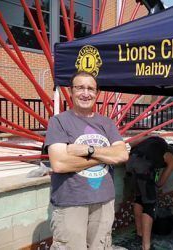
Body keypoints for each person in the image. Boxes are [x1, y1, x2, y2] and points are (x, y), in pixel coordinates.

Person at [45, 71, 129, 249]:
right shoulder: (59, 122)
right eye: (80, 87)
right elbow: (59, 164)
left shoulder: (107, 123)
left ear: (96, 93)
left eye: (91, 89)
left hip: (104, 201)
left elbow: (122, 155)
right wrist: (104, 156)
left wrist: (87, 150)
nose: (86, 93)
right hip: (71, 203)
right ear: (71, 91)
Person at [126, 136, 173, 250]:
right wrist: (155, 185)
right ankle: (146, 246)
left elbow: (133, 144)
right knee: (150, 205)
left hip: (130, 163)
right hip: (143, 166)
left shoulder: (155, 143)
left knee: (139, 199)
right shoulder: (169, 154)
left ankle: (139, 236)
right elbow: (161, 182)